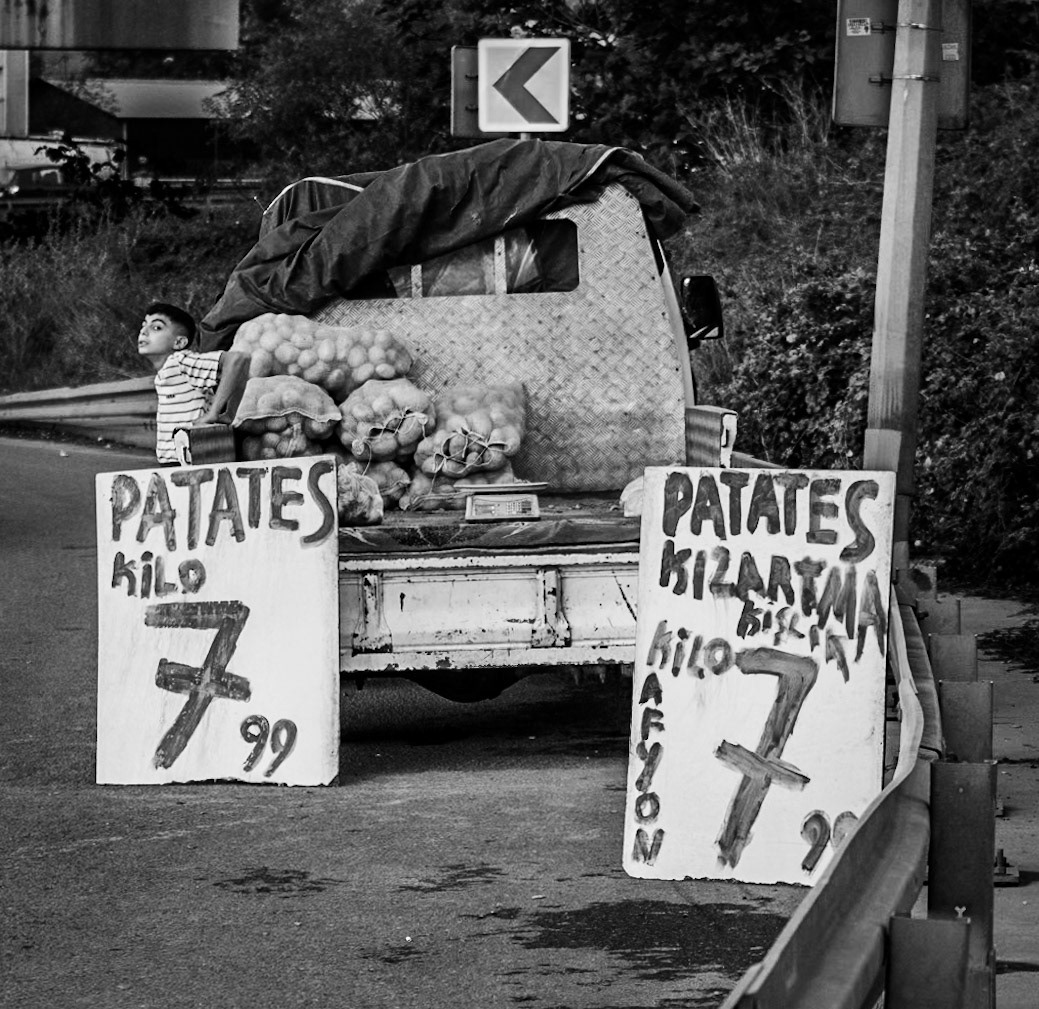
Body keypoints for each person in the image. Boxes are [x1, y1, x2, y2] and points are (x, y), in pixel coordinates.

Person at [136, 302, 248, 464]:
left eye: (156, 328)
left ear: (179, 343)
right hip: (176, 461)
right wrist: (230, 413)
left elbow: (239, 359)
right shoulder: (167, 372)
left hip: (190, 462)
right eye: (143, 325)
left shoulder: (181, 361)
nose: (143, 332)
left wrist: (215, 413)